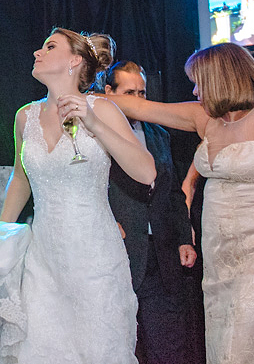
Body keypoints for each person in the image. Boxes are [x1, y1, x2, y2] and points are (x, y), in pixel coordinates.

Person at [108, 42, 254, 364]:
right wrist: (75, 93)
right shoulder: (205, 118)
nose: (195, 91)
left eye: (199, 82)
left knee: (252, 346)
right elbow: (140, 108)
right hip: (220, 258)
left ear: (221, 79)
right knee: (224, 347)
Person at [0, 28, 155, 364]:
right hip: (42, 260)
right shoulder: (25, 116)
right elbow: (21, 178)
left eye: (49, 47)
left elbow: (146, 172)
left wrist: (93, 123)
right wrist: (0, 238)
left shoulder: (102, 108)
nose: (37, 52)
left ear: (75, 60)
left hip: (95, 258)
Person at [103, 60, 197, 364]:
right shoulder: (95, 134)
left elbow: (172, 193)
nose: (138, 100)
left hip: (162, 257)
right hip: (118, 254)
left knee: (168, 349)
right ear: (109, 92)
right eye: (129, 93)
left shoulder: (158, 134)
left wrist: (184, 239)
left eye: (142, 93)